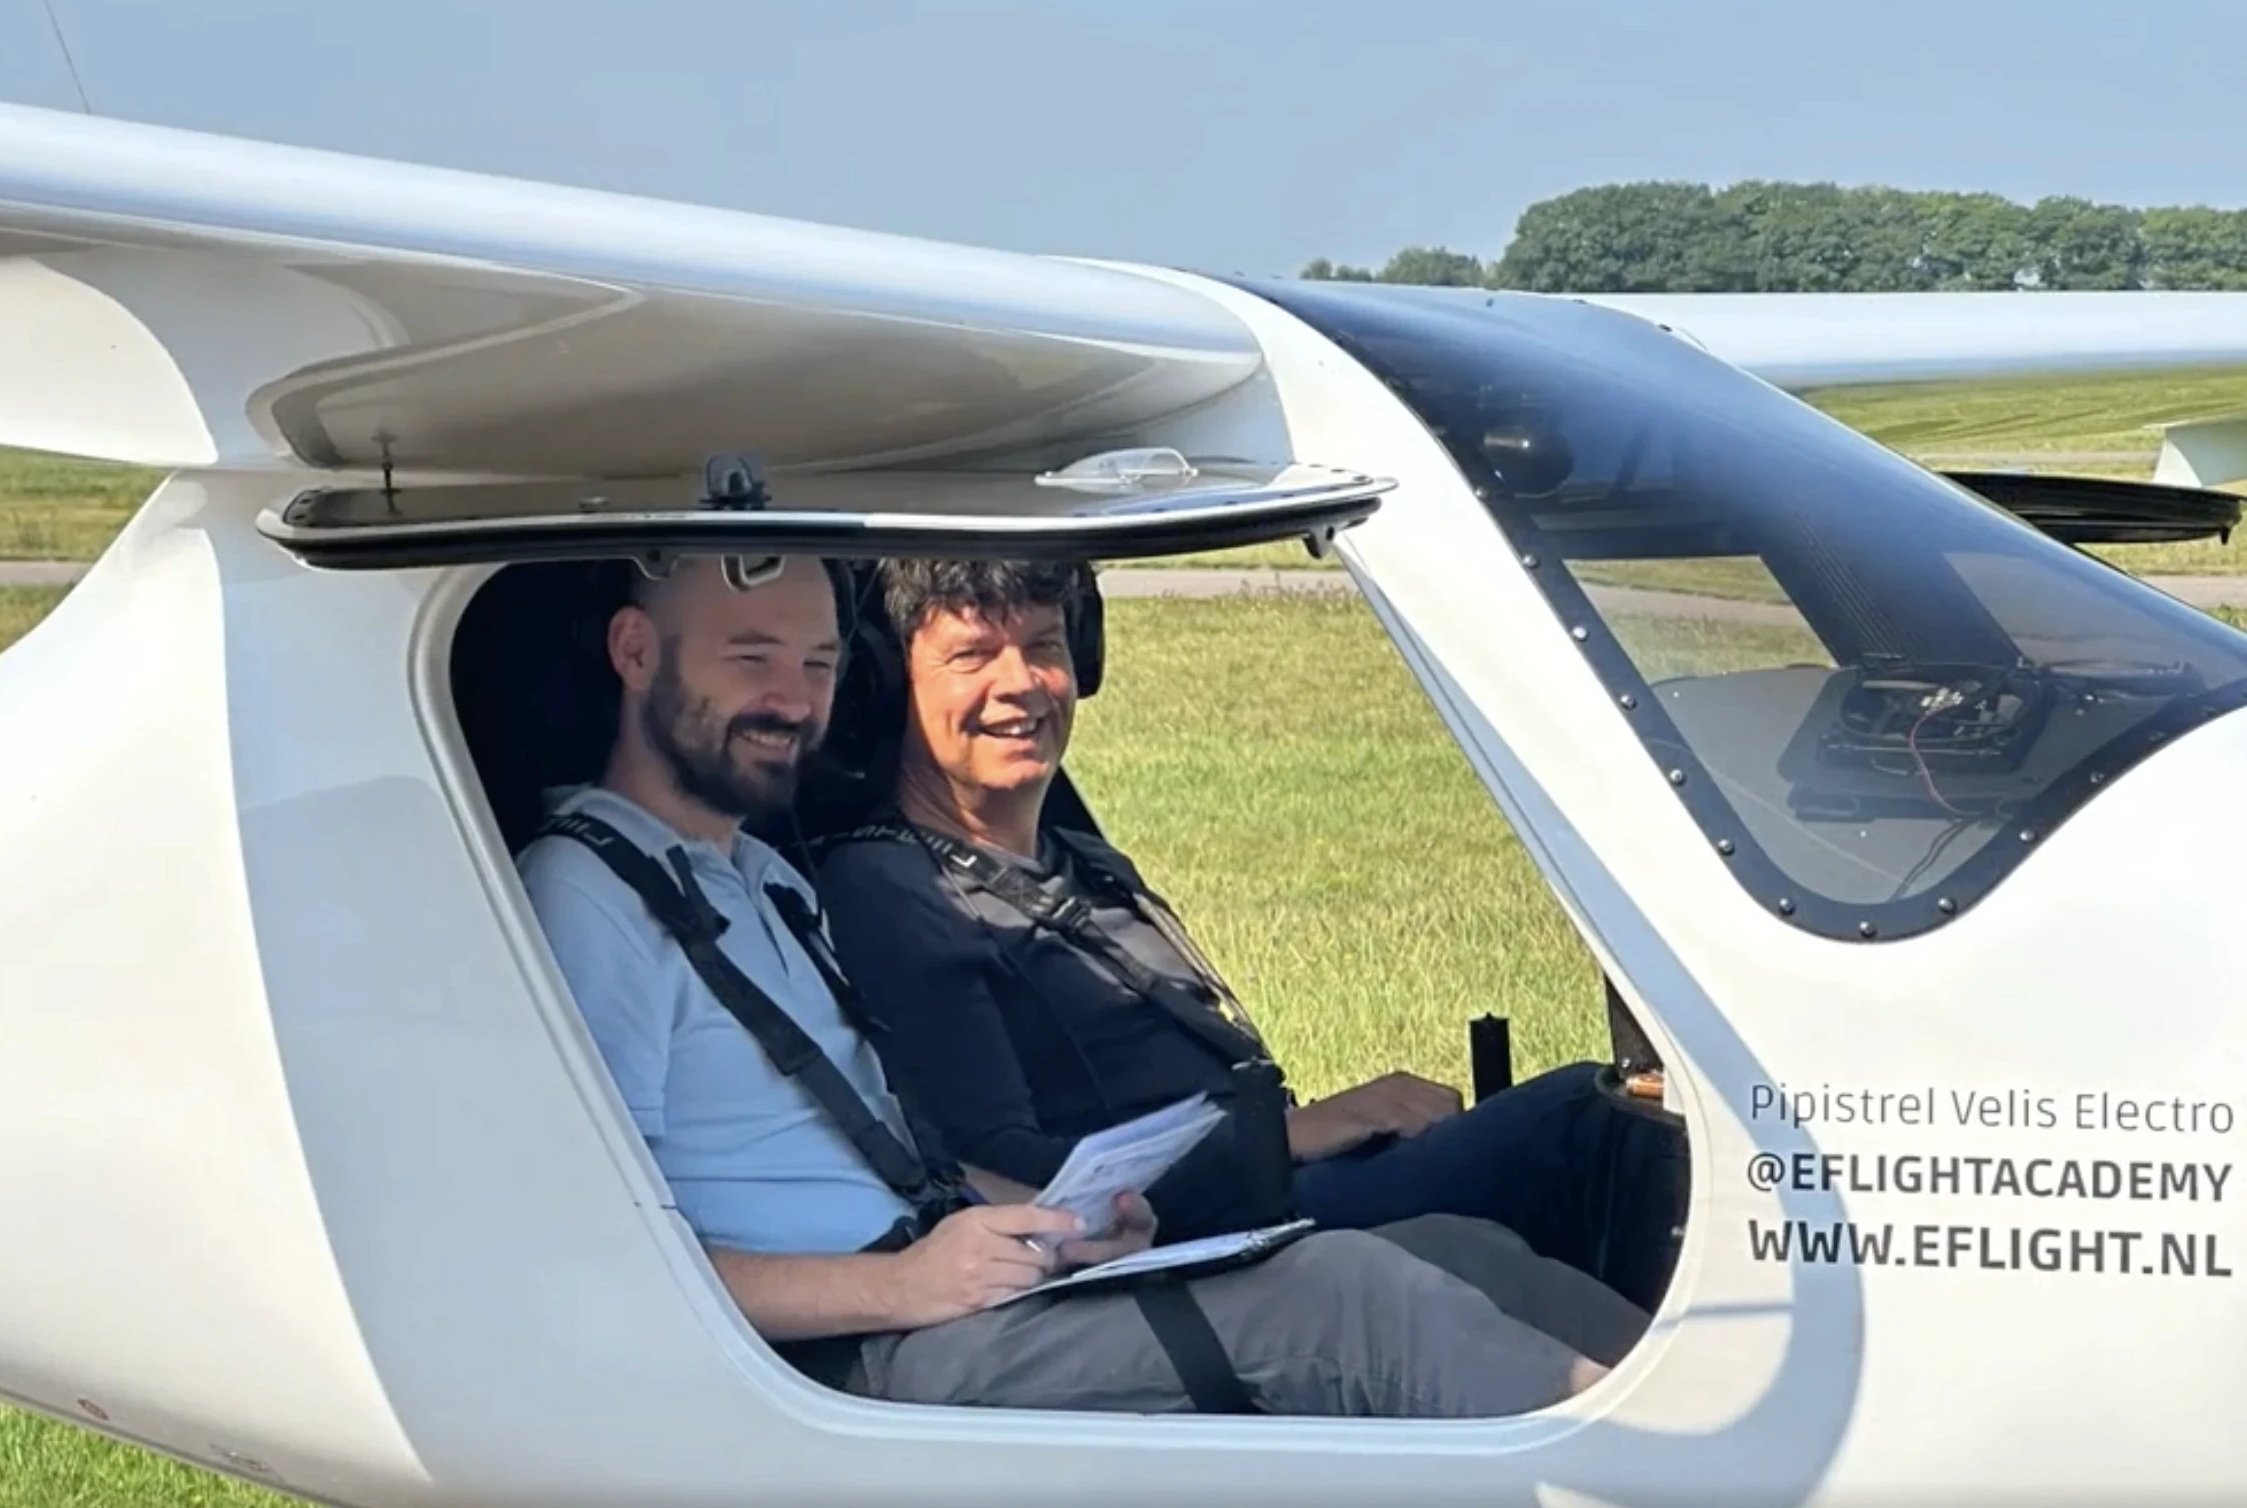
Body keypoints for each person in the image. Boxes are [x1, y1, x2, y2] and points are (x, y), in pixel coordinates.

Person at [512, 552, 1640, 1418]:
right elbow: (604, 1255)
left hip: (946, 1285)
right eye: (748, 656)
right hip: (843, 1365)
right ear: (635, 651)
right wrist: (904, 1285)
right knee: (1351, 1295)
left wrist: (1057, 1220)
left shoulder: (756, 877)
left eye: (814, 665)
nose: (793, 699)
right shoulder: (588, 896)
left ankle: (1733, 1430)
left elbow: (880, 1140)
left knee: (1459, 1250)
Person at [803, 555, 1688, 1313]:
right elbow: (994, 1167)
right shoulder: (892, 886)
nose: (1022, 683)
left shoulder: (1076, 857)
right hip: (1187, 1235)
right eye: (971, 656)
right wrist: (1295, 1133)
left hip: (1266, 1191)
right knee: (1589, 1127)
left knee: (1624, 1115)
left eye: (1043, 645)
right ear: (887, 686)